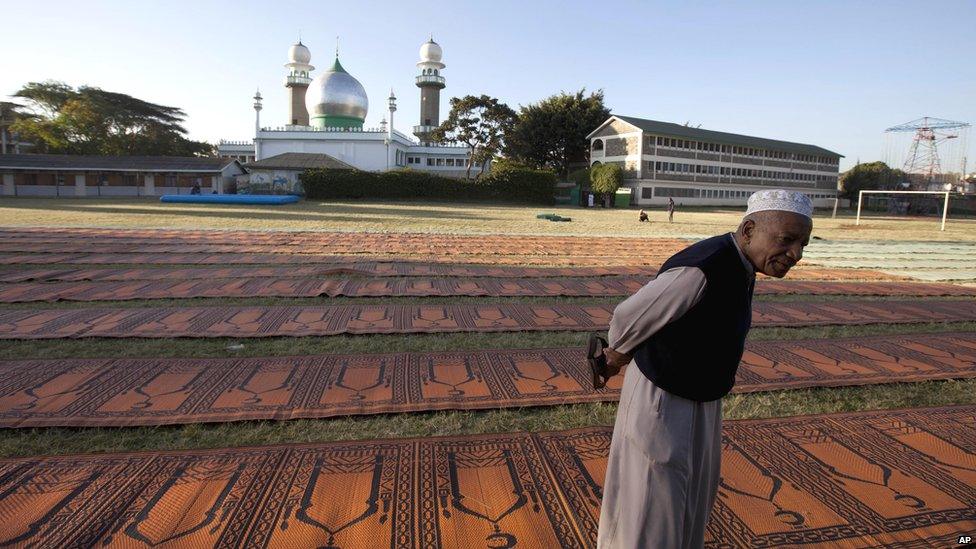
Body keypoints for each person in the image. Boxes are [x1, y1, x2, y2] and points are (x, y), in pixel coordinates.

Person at [590, 189, 813, 549]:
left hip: (702, 398)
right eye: (787, 240)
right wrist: (616, 353)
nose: (796, 254)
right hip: (661, 399)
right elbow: (629, 316)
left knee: (691, 491)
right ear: (749, 230)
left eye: (804, 243)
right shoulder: (702, 269)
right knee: (652, 499)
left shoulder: (742, 263)